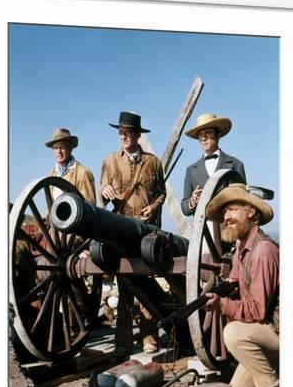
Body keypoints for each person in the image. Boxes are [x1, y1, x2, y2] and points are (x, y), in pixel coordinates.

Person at [204, 183, 279, 387]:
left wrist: (223, 305)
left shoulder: (263, 250)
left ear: (251, 211)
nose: (226, 217)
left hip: (279, 330)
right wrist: (223, 288)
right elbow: (235, 281)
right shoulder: (241, 249)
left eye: (233, 209)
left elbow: (257, 310)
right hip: (263, 334)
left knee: (234, 333)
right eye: (224, 212)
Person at [100, 111, 166, 354]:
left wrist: (154, 207)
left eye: (128, 132)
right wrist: (105, 190)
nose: (123, 136)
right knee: (124, 281)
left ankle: (150, 337)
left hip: (146, 230)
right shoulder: (109, 161)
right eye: (121, 132)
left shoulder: (153, 162)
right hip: (120, 229)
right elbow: (103, 193)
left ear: (138, 135)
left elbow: (161, 192)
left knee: (146, 281)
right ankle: (123, 340)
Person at [181, 113, 246, 216]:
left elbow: (244, 201)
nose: (203, 138)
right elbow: (184, 208)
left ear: (218, 134)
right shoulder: (190, 170)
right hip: (203, 230)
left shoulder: (236, 165)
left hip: (228, 227)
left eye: (208, 133)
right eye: (200, 135)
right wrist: (192, 201)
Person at [46, 127, 96, 203]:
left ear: (70, 148)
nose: (58, 151)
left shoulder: (83, 173)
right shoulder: (53, 173)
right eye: (55, 148)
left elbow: (90, 206)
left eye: (62, 147)